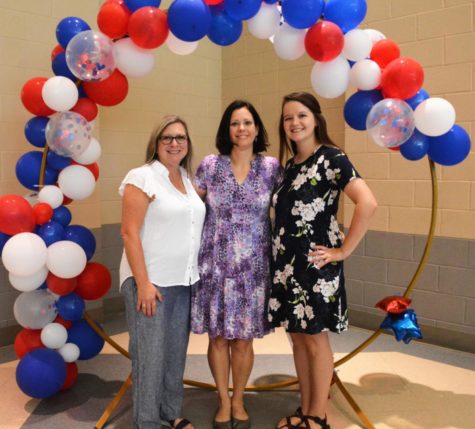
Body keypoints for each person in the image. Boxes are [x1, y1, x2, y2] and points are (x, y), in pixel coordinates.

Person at [269, 92, 377, 429]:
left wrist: (343, 250)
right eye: (288, 118)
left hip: (315, 266)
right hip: (288, 266)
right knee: (298, 338)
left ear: (316, 118)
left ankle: (318, 416)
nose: (295, 123)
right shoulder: (290, 167)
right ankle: (305, 407)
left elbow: (367, 203)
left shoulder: (332, 158)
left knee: (315, 339)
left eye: (301, 115)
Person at [191, 100, 282, 429]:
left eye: (247, 122)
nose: (241, 129)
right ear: (226, 130)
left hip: (254, 269)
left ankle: (240, 398)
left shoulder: (272, 168)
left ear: (257, 129)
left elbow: (289, 209)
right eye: (234, 123)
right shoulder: (210, 166)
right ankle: (223, 400)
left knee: (243, 340)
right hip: (215, 265)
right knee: (218, 338)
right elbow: (188, 207)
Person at [119, 115, 205, 429]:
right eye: (167, 137)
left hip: (183, 281)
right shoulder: (141, 177)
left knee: (174, 355)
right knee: (149, 358)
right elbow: (129, 233)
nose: (174, 143)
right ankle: (147, 421)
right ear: (156, 143)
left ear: (188, 143)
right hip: (150, 283)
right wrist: (143, 283)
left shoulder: (186, 178)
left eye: (180, 137)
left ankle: (170, 412)